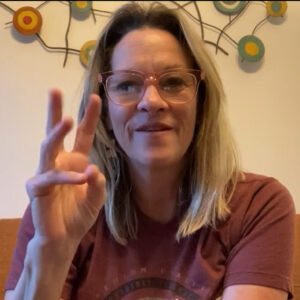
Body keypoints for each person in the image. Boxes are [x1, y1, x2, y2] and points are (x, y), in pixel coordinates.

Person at [4, 2, 295, 300]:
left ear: (201, 102)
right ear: (104, 111)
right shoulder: (61, 204)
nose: (151, 101)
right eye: (128, 84)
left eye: (173, 82)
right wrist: (52, 251)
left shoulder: (258, 205)